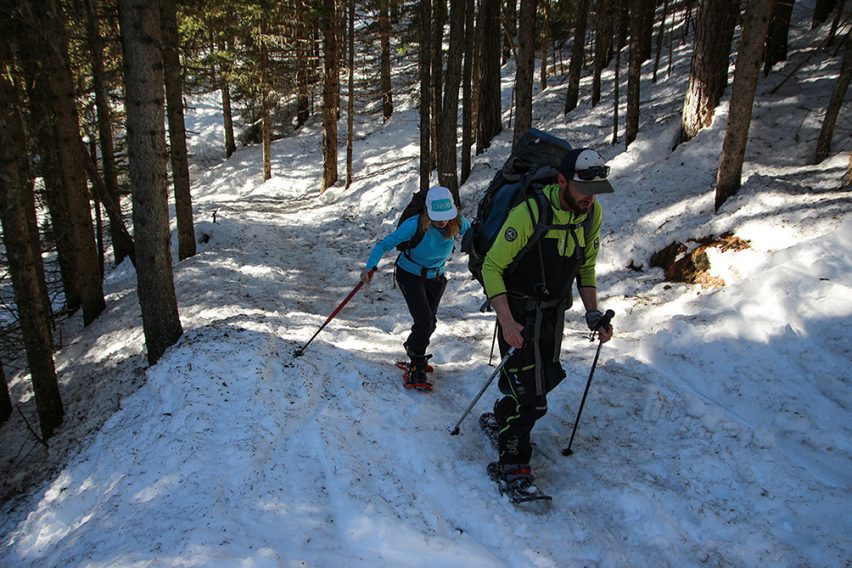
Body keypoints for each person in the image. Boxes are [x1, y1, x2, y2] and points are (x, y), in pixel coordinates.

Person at [481, 147, 615, 491]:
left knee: (542, 378)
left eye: (596, 192)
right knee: (533, 398)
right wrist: (507, 322)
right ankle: (513, 461)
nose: (590, 199)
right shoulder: (530, 212)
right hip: (518, 311)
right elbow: (492, 267)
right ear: (561, 181)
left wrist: (593, 313)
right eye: (585, 191)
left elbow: (585, 266)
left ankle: (502, 416)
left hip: (553, 312)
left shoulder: (590, 214)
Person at [361, 185, 470, 390]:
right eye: (437, 216)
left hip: (436, 277)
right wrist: (369, 268)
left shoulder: (458, 223)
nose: (442, 221)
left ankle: (413, 348)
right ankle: (417, 363)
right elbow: (383, 244)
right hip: (409, 274)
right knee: (424, 320)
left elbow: (476, 238)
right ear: (428, 211)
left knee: (430, 323)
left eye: (445, 216)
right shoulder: (414, 225)